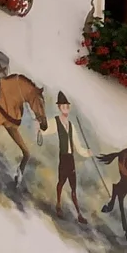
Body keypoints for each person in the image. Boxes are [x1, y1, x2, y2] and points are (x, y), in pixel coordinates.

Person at [53, 91, 85, 223]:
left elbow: (77, 144)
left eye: (67, 106)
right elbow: (46, 129)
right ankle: (58, 205)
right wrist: (39, 128)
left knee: (73, 187)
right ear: (59, 108)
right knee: (61, 182)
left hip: (71, 159)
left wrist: (86, 152)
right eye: (63, 106)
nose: (65, 109)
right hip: (64, 158)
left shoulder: (71, 125)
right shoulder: (56, 121)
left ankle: (79, 214)